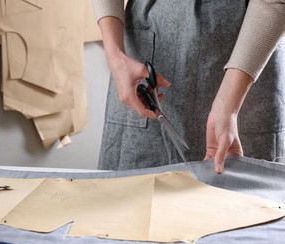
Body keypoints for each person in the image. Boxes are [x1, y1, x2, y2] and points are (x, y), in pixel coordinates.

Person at [92, 0, 285, 172]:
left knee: (244, 205)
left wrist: (230, 103)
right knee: (127, 203)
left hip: (247, 57)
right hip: (144, 60)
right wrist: (115, 56)